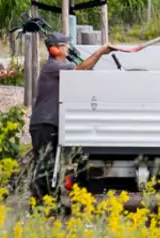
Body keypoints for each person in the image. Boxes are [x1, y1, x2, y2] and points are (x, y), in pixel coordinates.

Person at [28, 32, 132, 207]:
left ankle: (51, 203)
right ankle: (39, 206)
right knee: (45, 166)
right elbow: (81, 70)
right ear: (54, 49)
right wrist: (99, 52)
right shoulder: (53, 67)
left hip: (49, 124)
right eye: (63, 46)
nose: (67, 48)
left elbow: (83, 70)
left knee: (52, 166)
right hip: (43, 124)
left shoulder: (63, 66)